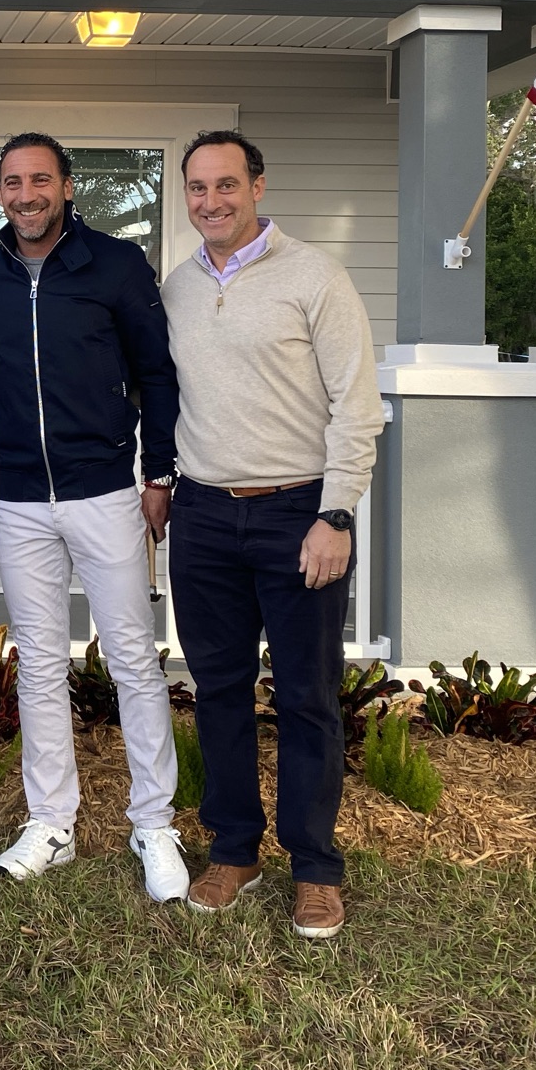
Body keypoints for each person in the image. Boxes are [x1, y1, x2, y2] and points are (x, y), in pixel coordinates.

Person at [0, 132, 188, 902]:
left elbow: (157, 372)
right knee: (39, 664)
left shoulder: (115, 265)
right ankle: (52, 822)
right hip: (17, 498)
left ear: (68, 187)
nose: (25, 194)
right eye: (11, 182)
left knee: (134, 660)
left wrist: (160, 470)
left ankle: (155, 825)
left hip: (105, 490)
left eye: (39, 179)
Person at [161, 129, 385, 940]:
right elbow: (164, 397)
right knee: (217, 690)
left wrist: (337, 513)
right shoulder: (177, 287)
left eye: (226, 185)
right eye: (197, 188)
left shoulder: (314, 277)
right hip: (205, 514)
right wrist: (162, 482)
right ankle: (234, 849)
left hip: (299, 514)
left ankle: (316, 868)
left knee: (306, 697)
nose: (211, 201)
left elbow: (358, 407)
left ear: (258, 185)